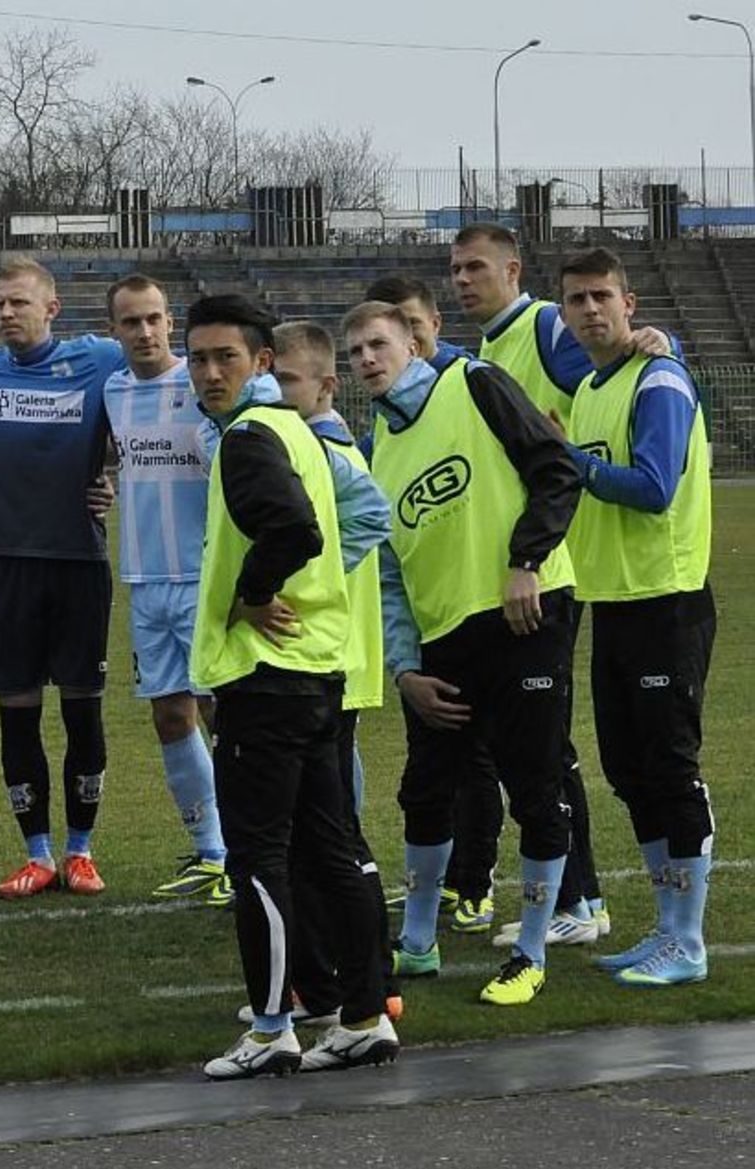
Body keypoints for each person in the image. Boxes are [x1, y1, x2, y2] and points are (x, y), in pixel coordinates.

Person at [448, 223, 677, 944]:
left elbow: (609, 369)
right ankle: (573, 897)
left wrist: (652, 342)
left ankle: (580, 902)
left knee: (543, 748)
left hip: (550, 569)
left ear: (513, 270)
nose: (462, 279)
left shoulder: (544, 328)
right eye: (454, 269)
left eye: (475, 267)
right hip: (537, 561)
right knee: (533, 745)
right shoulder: (488, 348)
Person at [348, 299, 580, 1007]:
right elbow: (388, 577)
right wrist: (403, 668)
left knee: (533, 786)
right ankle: (416, 942)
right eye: (352, 350)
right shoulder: (378, 447)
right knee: (425, 788)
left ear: (413, 343)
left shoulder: (474, 384)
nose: (364, 359)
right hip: (442, 640)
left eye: (376, 344)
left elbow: (555, 470)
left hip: (525, 615)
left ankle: (530, 951)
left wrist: (525, 561)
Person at [187, 296, 395, 1080]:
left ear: (261, 364)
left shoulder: (247, 437)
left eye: (225, 358)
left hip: (266, 676)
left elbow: (295, 530)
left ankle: (274, 1025)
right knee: (329, 849)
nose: (209, 372)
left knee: (260, 858)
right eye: (199, 358)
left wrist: (248, 591)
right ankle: (365, 1016)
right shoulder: (293, 431)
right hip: (315, 670)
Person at [0, 258, 119, 900]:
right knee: (17, 711)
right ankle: (36, 855)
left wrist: (115, 470)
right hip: (7, 563)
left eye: (18, 303)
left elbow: (158, 388)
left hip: (79, 562)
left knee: (81, 711)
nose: (7, 313)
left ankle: (81, 852)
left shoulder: (100, 359)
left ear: (52, 308)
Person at [556, 247, 716, 987]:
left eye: (600, 297)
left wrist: (571, 462)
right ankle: (663, 926)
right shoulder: (592, 385)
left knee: (669, 769)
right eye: (575, 300)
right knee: (627, 769)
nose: (588, 310)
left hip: (667, 601)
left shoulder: (657, 380)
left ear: (629, 305)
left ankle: (686, 941)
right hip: (614, 603)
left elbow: (652, 487)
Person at [271, 320, 400, 1024]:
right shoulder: (300, 442)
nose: (276, 391)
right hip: (324, 660)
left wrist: (301, 580)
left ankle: (360, 983)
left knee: (330, 834)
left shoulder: (323, 447)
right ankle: (345, 980)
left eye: (288, 380)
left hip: (327, 662)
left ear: (324, 385)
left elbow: (371, 516)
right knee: (320, 832)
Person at [101, 275, 228, 906]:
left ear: (170, 322)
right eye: (131, 322)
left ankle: (246, 845)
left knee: (220, 713)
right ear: (114, 330)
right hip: (144, 579)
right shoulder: (113, 390)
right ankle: (211, 849)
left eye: (153, 319)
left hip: (205, 577)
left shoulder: (202, 385)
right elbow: (109, 460)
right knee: (168, 713)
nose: (144, 332)